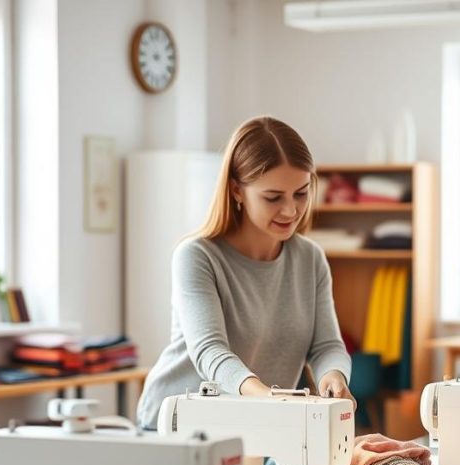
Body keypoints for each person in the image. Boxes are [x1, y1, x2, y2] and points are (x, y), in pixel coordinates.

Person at [137, 116, 353, 430]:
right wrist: (266, 397)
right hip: (176, 425)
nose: (291, 210)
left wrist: (333, 375)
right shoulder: (196, 256)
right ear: (237, 190)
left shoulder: (310, 259)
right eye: (273, 197)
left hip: (260, 424)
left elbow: (326, 346)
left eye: (301, 193)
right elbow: (210, 352)